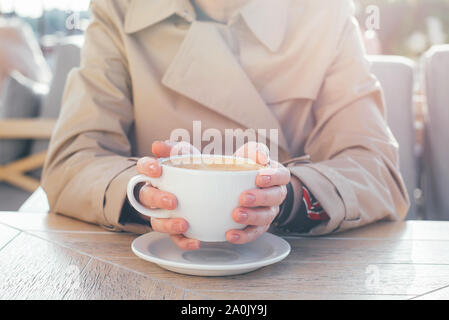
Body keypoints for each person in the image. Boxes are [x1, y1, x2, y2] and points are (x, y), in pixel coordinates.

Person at [42, 0, 410, 251]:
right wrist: (151, 194)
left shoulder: (324, 13)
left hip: (291, 272)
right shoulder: (119, 9)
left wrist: (284, 197)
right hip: (148, 266)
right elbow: (72, 162)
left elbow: (376, 170)